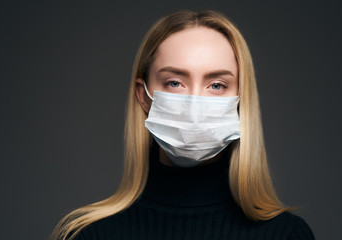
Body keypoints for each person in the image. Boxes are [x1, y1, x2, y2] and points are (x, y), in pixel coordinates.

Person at [51, 9, 315, 240]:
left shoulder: (286, 235)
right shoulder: (85, 235)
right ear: (143, 96)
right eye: (175, 82)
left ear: (239, 99)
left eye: (216, 85)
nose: (194, 102)